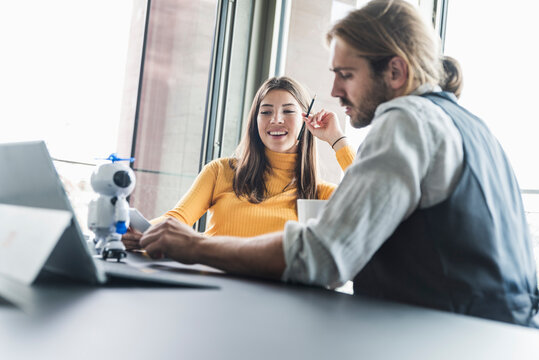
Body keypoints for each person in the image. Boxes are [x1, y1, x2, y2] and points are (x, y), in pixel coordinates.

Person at [137, 0, 539, 327]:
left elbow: (323, 258)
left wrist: (194, 245)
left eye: (346, 74)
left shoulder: (407, 120)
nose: (334, 90)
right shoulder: (472, 125)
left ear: (395, 71)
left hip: (449, 339)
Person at [122, 76, 355, 249]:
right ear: (255, 121)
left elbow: (373, 192)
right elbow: (178, 218)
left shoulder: (320, 194)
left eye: (288, 111)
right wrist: (140, 232)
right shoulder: (220, 171)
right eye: (265, 112)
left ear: (305, 120)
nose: (275, 120)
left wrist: (337, 140)